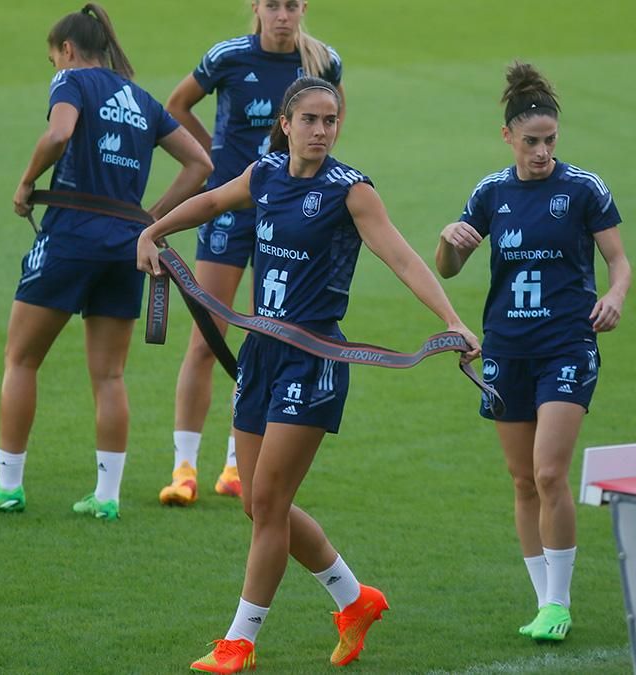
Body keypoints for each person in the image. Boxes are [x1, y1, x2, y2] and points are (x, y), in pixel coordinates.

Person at [137, 77, 479, 674]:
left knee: (268, 502)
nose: (322, 130)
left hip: (314, 359)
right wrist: (155, 229)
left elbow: (400, 255)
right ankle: (355, 599)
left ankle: (238, 642)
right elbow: (214, 201)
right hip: (261, 356)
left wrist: (452, 320)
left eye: (332, 120)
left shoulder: (352, 191)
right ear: (287, 123)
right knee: (258, 505)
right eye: (312, 120)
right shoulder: (265, 174)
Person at [0, 4, 213, 521]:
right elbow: (200, 164)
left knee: (22, 360)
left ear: (68, 51)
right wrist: (151, 221)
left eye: (54, 59)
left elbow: (58, 134)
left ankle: (8, 484)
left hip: (71, 237)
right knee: (110, 376)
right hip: (126, 246)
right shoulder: (142, 100)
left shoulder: (71, 83)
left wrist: (27, 182)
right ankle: (107, 496)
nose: (56, 68)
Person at [435, 62, 632, 642]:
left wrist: (615, 295)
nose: (542, 151)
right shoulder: (490, 193)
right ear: (508, 138)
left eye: (550, 140)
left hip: (567, 346)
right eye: (531, 141)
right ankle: (544, 600)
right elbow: (450, 266)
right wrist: (449, 241)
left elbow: (618, 261)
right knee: (522, 481)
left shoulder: (583, 190)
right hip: (506, 350)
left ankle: (560, 603)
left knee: (549, 471)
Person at [158, 0, 345, 505]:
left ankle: (237, 465)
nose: (282, 15)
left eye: (291, 5)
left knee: (269, 332)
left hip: (287, 214)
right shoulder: (228, 57)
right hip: (229, 208)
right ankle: (183, 467)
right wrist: (212, 156)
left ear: (303, 8)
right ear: (257, 8)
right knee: (206, 336)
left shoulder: (322, 62)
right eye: (272, 5)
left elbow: (335, 119)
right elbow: (176, 106)